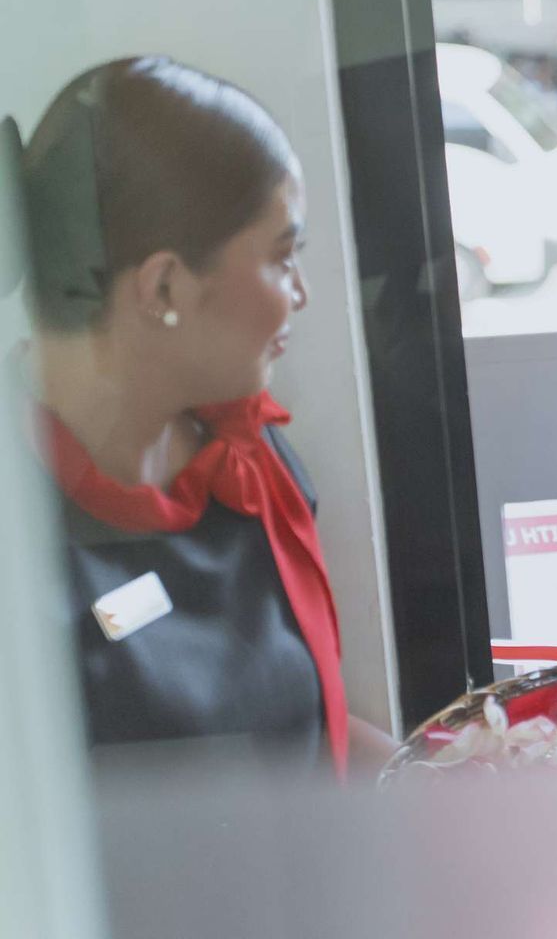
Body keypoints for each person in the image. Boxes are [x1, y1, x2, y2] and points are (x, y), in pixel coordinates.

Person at [23, 57, 384, 775]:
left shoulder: (253, 458)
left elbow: (309, 740)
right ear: (163, 285)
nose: (301, 294)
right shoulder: (23, 539)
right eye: (282, 258)